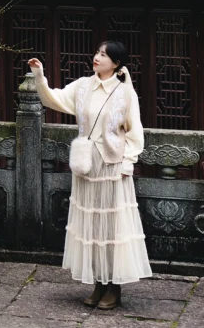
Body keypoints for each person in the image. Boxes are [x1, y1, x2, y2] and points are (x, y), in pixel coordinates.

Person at [26, 41, 151, 309]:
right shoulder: (82, 85)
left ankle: (114, 288)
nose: (97, 57)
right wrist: (39, 76)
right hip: (86, 165)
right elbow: (53, 99)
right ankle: (98, 284)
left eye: (104, 55)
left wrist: (128, 162)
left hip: (111, 167)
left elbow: (134, 131)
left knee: (112, 227)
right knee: (91, 225)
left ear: (116, 63)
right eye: (97, 53)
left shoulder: (125, 93)